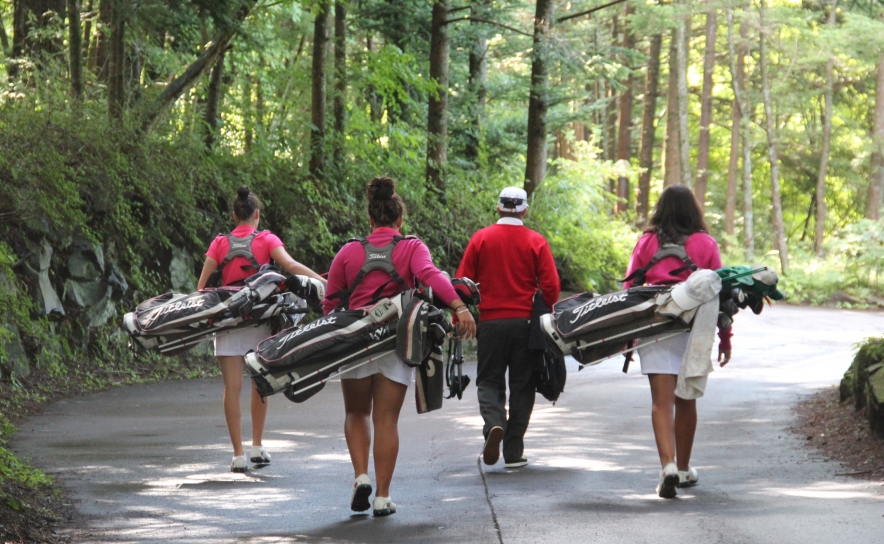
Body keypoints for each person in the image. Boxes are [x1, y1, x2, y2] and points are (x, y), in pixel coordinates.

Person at [322, 176, 476, 517]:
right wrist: (460, 307)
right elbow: (432, 276)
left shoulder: (349, 251)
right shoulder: (411, 247)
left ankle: (361, 476)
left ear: (371, 219)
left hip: (355, 341)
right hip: (396, 340)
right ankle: (383, 496)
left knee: (356, 412)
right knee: (386, 420)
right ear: (399, 220)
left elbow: (330, 304)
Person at [197, 186, 326, 473]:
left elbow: (202, 288)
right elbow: (290, 265)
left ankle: (238, 455)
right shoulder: (267, 239)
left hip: (229, 322)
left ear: (234, 215)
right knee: (260, 383)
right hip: (261, 322)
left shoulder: (219, 243)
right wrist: (323, 282)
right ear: (257, 214)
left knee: (232, 388)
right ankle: (257, 445)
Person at [623, 185, 733, 498]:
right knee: (687, 400)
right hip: (694, 329)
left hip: (655, 325)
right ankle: (684, 470)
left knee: (662, 402)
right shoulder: (705, 243)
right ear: (692, 210)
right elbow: (721, 295)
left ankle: (668, 466)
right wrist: (725, 340)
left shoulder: (646, 242)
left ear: (661, 209)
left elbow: (631, 287)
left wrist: (629, 337)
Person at [456, 187, 560, 469]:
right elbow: (551, 285)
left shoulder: (481, 238)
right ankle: (513, 452)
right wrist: (547, 309)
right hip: (526, 325)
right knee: (523, 385)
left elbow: (462, 283)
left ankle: (493, 424)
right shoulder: (536, 241)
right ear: (524, 210)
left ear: (498, 208)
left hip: (490, 322)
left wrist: (459, 315)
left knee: (489, 380)